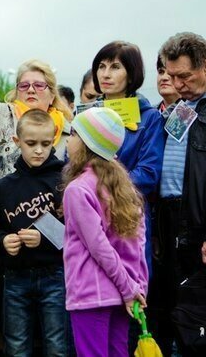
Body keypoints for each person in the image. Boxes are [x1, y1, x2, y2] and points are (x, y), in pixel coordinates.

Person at [0, 12, 72, 353]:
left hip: (53, 250)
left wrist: (49, 232)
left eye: (40, 85)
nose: (32, 90)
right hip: (6, 236)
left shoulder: (68, 132)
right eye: (25, 85)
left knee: (53, 327)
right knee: (6, 319)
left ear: (52, 92)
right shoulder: (2, 116)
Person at [154, 32, 206, 355]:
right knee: (177, 315)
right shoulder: (184, 107)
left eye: (183, 75)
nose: (176, 83)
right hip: (173, 223)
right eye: (170, 75)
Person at [63, 107, 148, 356]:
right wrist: (135, 288)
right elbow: (137, 243)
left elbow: (99, 247)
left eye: (74, 134)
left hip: (90, 296)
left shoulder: (77, 190)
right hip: (124, 296)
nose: (68, 140)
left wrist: (129, 289)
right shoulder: (125, 188)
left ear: (87, 143)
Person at [0, 109, 68, 356]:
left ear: (53, 140)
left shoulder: (63, 181)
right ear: (16, 142)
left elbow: (75, 233)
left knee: (57, 344)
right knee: (16, 346)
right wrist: (3, 240)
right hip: (15, 277)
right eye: (31, 143)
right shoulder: (5, 186)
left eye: (45, 143)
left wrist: (43, 239)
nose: (39, 150)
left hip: (55, 275)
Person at [92, 41, 164, 278]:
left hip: (128, 216)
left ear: (131, 73)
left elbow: (148, 173)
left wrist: (102, 189)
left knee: (132, 290)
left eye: (115, 67)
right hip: (91, 215)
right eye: (101, 66)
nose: (105, 74)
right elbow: (72, 165)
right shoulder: (87, 114)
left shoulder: (150, 117)